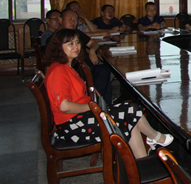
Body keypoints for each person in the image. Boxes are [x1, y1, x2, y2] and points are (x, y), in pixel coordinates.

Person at [44, 28, 173, 158]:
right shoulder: (58, 71)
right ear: (58, 47)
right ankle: (155, 137)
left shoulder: (67, 67)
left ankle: (141, 160)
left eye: (77, 42)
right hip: (73, 127)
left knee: (129, 114)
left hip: (81, 118)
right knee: (130, 110)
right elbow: (64, 106)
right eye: (70, 44)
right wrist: (92, 106)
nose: (76, 46)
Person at [59, 9, 112, 103]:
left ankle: (105, 104)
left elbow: (94, 43)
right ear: (60, 20)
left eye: (75, 20)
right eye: (70, 19)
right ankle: (95, 103)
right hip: (75, 70)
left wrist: (92, 51)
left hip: (87, 66)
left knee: (105, 69)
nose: (73, 22)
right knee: (103, 72)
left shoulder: (77, 33)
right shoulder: (56, 38)